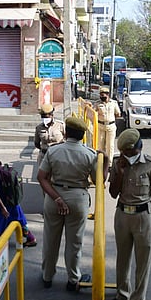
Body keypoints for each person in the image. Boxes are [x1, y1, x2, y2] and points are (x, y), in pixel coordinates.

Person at [37, 117, 109, 291]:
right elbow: (99, 180)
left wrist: (57, 198)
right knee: (75, 242)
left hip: (54, 197)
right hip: (78, 199)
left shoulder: (54, 151)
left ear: (66, 132)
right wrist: (105, 161)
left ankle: (47, 277)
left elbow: (42, 177)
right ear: (83, 135)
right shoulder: (89, 154)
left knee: (50, 240)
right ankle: (73, 279)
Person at [105, 128, 151, 300]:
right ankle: (122, 294)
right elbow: (113, 193)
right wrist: (121, 173)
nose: (128, 155)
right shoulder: (117, 163)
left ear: (139, 147)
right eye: (125, 152)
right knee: (122, 258)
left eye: (131, 152)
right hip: (122, 215)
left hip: (142, 217)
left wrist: (144, 209)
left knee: (142, 262)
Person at [95, 87, 121, 168]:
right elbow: (93, 112)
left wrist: (110, 120)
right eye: (101, 95)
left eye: (104, 96)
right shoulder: (97, 104)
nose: (102, 97)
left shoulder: (113, 103)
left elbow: (118, 114)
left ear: (108, 95)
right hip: (100, 126)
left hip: (111, 126)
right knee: (100, 145)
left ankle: (109, 164)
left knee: (110, 146)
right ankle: (101, 162)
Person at [34, 104, 65, 169]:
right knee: (42, 176)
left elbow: (67, 139)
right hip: (44, 155)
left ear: (52, 115)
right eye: (43, 117)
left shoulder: (60, 125)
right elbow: (36, 143)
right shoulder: (39, 128)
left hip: (58, 155)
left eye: (47, 117)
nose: (45, 119)